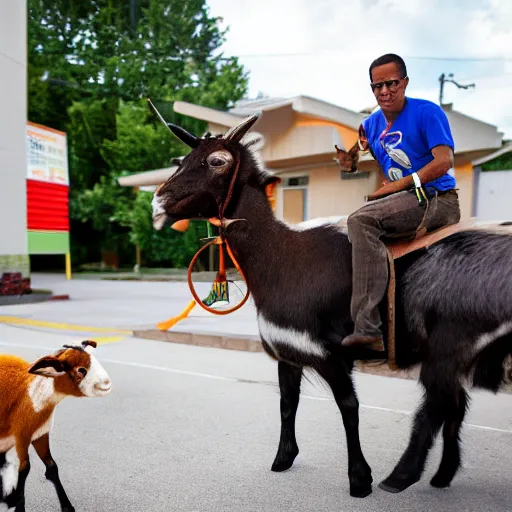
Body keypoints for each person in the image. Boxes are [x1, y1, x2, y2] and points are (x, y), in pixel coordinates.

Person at [339, 53, 461, 350]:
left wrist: (401, 184)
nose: (384, 91)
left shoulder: (427, 113)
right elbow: (357, 151)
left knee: (361, 220)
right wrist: (349, 161)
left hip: (437, 198)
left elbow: (445, 161)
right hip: (404, 197)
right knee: (345, 228)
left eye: (391, 83)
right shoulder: (370, 124)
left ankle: (368, 328)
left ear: (404, 82)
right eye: (377, 86)